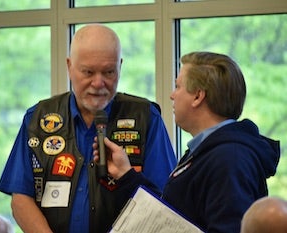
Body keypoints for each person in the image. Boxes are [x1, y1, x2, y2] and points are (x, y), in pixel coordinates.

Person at [0, 24, 177, 233]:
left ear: (120, 66)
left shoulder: (145, 117)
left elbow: (164, 203)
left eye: (108, 72)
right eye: (88, 72)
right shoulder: (38, 118)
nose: (98, 83)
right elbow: (20, 198)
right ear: (69, 67)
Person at [93, 51, 280, 233]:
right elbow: (171, 216)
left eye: (178, 86)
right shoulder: (208, 152)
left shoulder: (229, 159)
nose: (172, 95)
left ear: (198, 96)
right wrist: (126, 174)